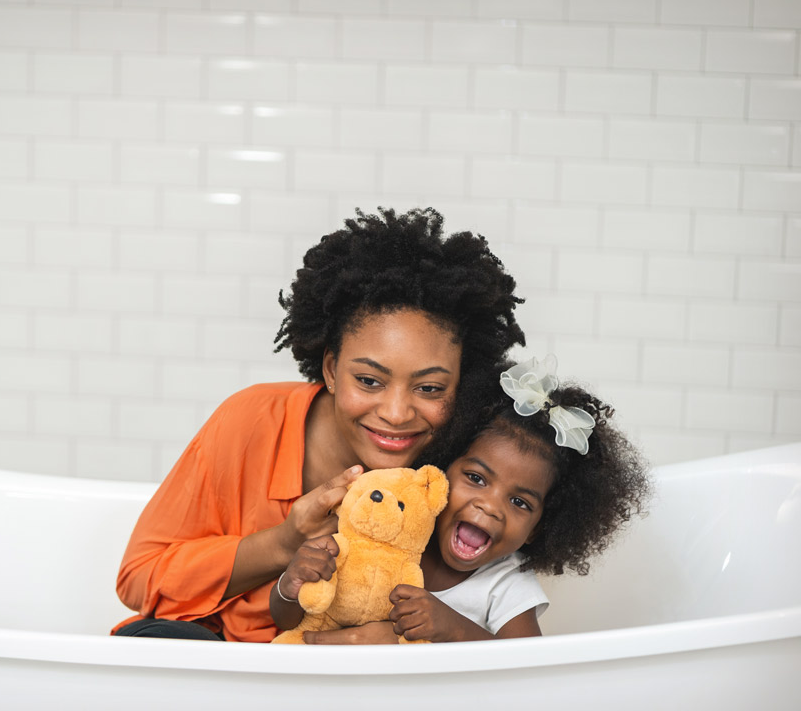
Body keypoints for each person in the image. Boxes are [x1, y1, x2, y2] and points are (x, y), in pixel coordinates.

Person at [113, 207, 525, 642]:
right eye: (369, 381)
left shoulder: (461, 462)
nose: (398, 413)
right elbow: (139, 579)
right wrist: (283, 543)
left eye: (430, 389)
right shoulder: (251, 420)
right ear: (330, 368)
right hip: (220, 661)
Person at [271, 355, 650, 643]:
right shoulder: (389, 534)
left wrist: (452, 628)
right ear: (441, 470)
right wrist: (291, 584)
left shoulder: (505, 585)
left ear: (539, 528)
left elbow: (526, 674)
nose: (490, 505)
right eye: (475, 478)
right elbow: (288, 619)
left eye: (520, 503)